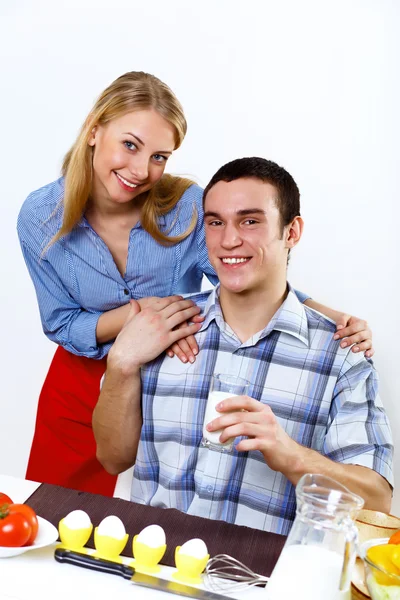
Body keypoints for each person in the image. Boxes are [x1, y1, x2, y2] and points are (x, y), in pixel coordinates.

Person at [18, 72, 373, 496]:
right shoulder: (39, 217)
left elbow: (241, 272)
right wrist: (140, 316)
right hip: (80, 376)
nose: (140, 170)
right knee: (53, 512)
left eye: (159, 157)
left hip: (178, 364)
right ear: (94, 130)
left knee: (181, 501)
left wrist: (332, 317)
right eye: (130, 145)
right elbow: (61, 322)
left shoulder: (186, 205)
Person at [93, 157, 393, 534]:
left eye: (250, 221)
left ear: (292, 231)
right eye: (216, 222)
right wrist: (120, 363)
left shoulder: (341, 354)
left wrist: (290, 454)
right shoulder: (162, 328)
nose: (229, 240)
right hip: (156, 570)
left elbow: (377, 503)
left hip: (264, 584)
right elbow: (111, 459)